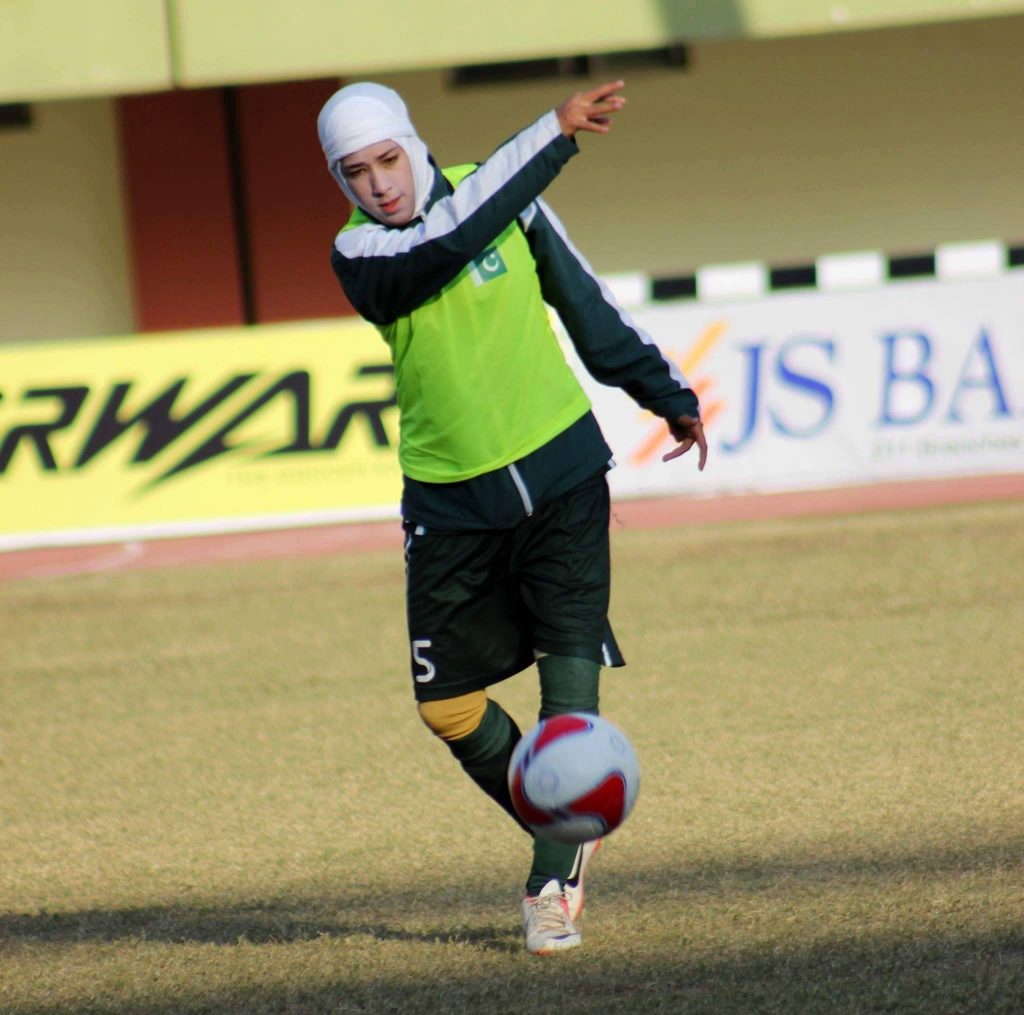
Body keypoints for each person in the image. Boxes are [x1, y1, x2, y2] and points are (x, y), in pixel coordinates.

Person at [317, 79, 707, 956]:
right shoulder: (360, 255)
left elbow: (584, 306)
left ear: (411, 146)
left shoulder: (505, 191)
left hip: (564, 474)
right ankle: (572, 816)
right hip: (451, 503)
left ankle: (550, 884)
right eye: (356, 172)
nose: (379, 184)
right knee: (448, 708)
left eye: (387, 160)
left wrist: (663, 392)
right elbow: (446, 240)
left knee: (568, 705)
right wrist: (551, 134)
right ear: (340, 183)